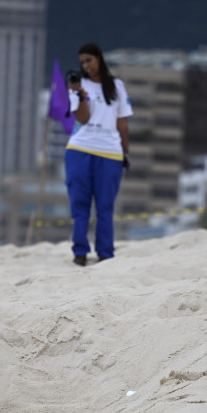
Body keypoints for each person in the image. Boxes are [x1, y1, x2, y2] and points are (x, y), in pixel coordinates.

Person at [65, 43, 133, 266]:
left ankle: (105, 253)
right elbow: (82, 119)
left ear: (99, 59)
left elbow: (122, 123)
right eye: (82, 62)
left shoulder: (117, 86)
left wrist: (126, 152)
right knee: (80, 205)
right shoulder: (78, 86)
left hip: (110, 152)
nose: (86, 65)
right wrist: (80, 95)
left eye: (89, 60)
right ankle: (80, 252)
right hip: (80, 149)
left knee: (105, 206)